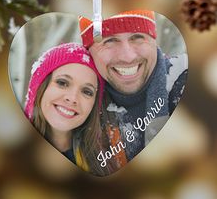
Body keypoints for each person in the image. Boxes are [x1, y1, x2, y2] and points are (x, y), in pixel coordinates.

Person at [79, 10, 188, 169]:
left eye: (137, 37)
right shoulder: (77, 109)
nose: (127, 56)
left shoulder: (184, 81)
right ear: (89, 52)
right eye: (109, 41)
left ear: (153, 41)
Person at [24, 42, 114, 176]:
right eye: (62, 83)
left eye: (87, 91)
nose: (72, 98)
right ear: (40, 87)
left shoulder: (106, 162)